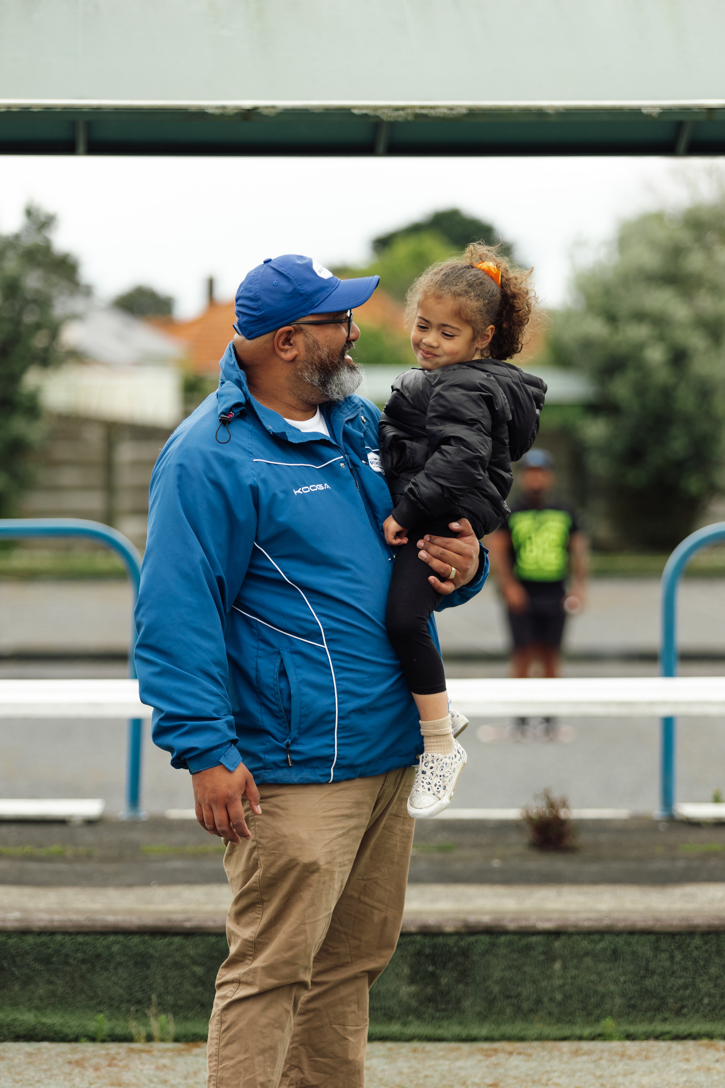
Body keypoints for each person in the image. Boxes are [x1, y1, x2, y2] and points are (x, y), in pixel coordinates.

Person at [134, 254, 487, 1088]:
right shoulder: (207, 458)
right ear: (289, 342)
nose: (357, 330)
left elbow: (413, 572)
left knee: (348, 968)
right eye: (337, 320)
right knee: (270, 976)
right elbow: (174, 617)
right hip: (292, 771)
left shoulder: (361, 426)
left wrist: (461, 564)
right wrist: (206, 752)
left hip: (390, 751)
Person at [379, 243, 547, 818]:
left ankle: (440, 744)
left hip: (439, 513)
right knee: (405, 615)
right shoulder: (472, 381)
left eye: (446, 334)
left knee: (403, 617)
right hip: (449, 510)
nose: (428, 341)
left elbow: (458, 461)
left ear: (483, 338)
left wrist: (404, 512)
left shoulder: (460, 385)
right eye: (422, 325)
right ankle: (439, 717)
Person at [487, 447, 588, 737]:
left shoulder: (566, 512)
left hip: (555, 591)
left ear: (550, 477)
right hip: (522, 592)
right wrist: (508, 586)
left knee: (551, 655)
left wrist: (578, 588)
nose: (536, 479)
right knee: (522, 654)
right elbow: (499, 551)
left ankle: (548, 719)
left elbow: (579, 551)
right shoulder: (510, 512)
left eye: (541, 473)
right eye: (531, 473)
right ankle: (519, 720)